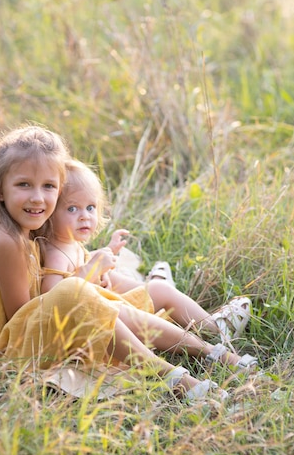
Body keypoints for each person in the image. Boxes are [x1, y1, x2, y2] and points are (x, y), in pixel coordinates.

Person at [0, 125, 242, 403]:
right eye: (24, 185)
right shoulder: (4, 240)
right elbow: (22, 317)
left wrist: (89, 290)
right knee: (79, 295)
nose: (38, 197)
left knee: (98, 298)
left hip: (25, 340)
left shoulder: (16, 229)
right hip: (7, 361)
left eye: (49, 186)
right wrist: (83, 288)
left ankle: (210, 350)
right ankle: (168, 375)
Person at [41, 158, 258, 373]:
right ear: (50, 213)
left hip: (113, 312)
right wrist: (94, 269)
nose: (84, 217)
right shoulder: (55, 255)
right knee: (153, 291)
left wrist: (105, 259)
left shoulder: (72, 245)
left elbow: (93, 283)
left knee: (158, 290)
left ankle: (213, 328)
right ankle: (207, 335)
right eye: (72, 209)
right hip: (102, 328)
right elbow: (55, 299)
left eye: (90, 207)